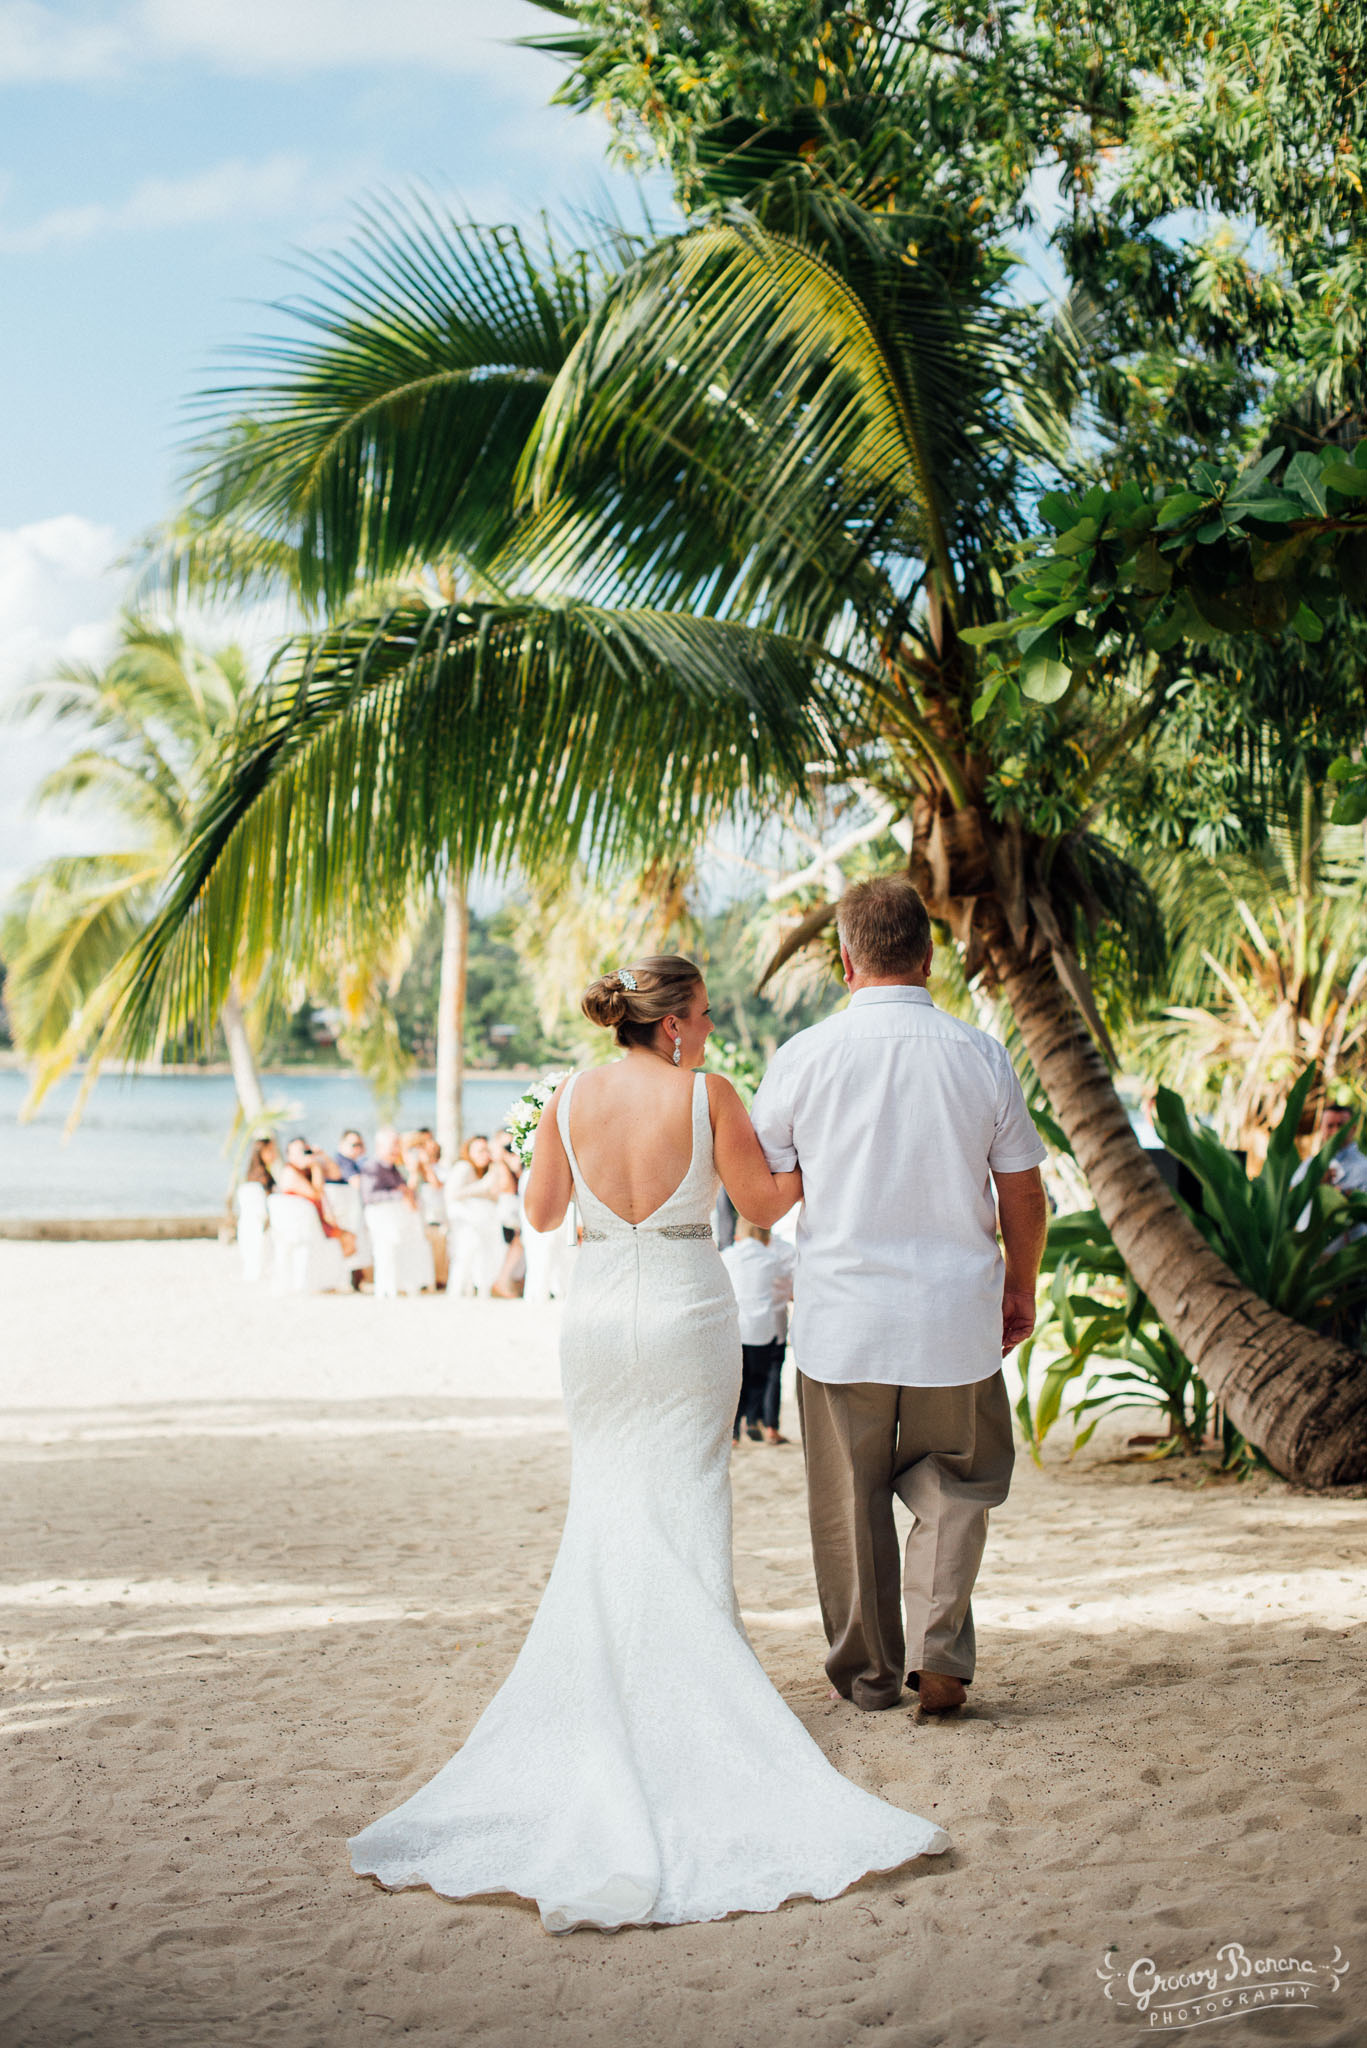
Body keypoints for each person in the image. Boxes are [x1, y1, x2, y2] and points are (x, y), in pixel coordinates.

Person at [349, 953, 948, 1931]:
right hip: (680, 1309)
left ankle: (607, 1698)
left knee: (605, 1503)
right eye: (703, 1015)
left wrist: (548, 1139)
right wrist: (832, 1153)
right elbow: (761, 1205)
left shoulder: (567, 1093)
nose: (708, 1030)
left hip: (594, 1318)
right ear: (669, 1023)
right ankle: (683, 1707)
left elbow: (539, 1213)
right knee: (683, 1500)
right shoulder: (707, 1093)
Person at [751, 876, 1047, 1718]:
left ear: (844, 962)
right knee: (957, 1488)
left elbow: (766, 1193)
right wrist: (1018, 1287)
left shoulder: (803, 1056)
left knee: (850, 1511)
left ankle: (872, 1678)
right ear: (928, 957)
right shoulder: (979, 1053)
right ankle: (941, 1655)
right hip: (955, 1321)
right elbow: (1022, 1193)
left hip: (844, 1326)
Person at [722, 1218, 795, 1446]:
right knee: (759, 1380)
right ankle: (754, 1422)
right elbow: (788, 1286)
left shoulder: (728, 1256)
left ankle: (733, 1433)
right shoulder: (772, 1258)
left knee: (735, 1382)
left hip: (735, 1327)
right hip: (763, 1329)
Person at [444, 1135, 506, 1297]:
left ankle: (482, 1288)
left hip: (484, 1220)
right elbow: (452, 1195)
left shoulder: (489, 1170)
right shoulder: (463, 1167)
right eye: (480, 1151)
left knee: (485, 1252)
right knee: (467, 1252)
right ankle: (457, 1291)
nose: (484, 1155)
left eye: (486, 1150)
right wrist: (481, 1187)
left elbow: (495, 1196)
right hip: (467, 1221)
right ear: (469, 1152)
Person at [277, 1136, 357, 1260]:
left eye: (305, 1150)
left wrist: (322, 1155)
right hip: (306, 1225)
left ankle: (341, 1272)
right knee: (347, 1239)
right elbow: (317, 1194)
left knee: (351, 1238)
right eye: (298, 1152)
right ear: (289, 1156)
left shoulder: (307, 1170)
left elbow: (336, 1174)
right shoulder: (290, 1173)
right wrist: (316, 1166)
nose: (303, 1154)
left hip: (319, 1222)